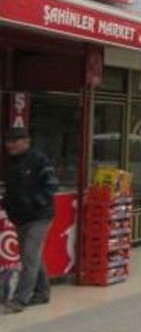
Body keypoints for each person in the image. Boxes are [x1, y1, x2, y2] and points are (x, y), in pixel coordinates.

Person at [2, 127, 58, 314]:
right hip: (20, 218)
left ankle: (20, 300)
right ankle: (42, 293)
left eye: (14, 141)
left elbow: (51, 186)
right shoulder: (10, 162)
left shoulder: (39, 160)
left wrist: (35, 203)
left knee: (29, 258)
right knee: (33, 256)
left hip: (40, 217)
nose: (9, 145)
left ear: (26, 141)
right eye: (8, 141)